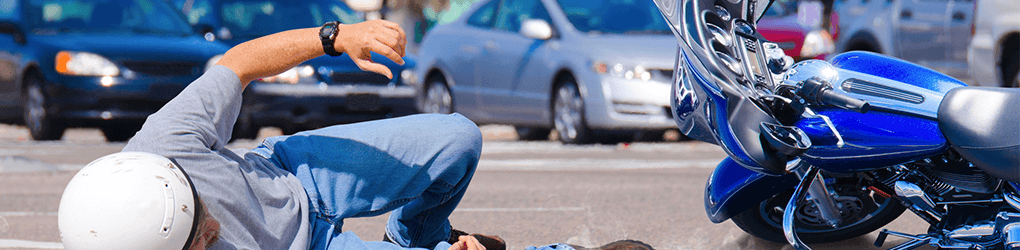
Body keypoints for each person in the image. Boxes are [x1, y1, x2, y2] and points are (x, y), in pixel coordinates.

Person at [57, 19, 501, 250]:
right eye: (201, 243)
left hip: (293, 176)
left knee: (459, 138)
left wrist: (337, 37)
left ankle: (414, 234)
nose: (214, 229)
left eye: (200, 216)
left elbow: (238, 63)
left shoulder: (163, 144)